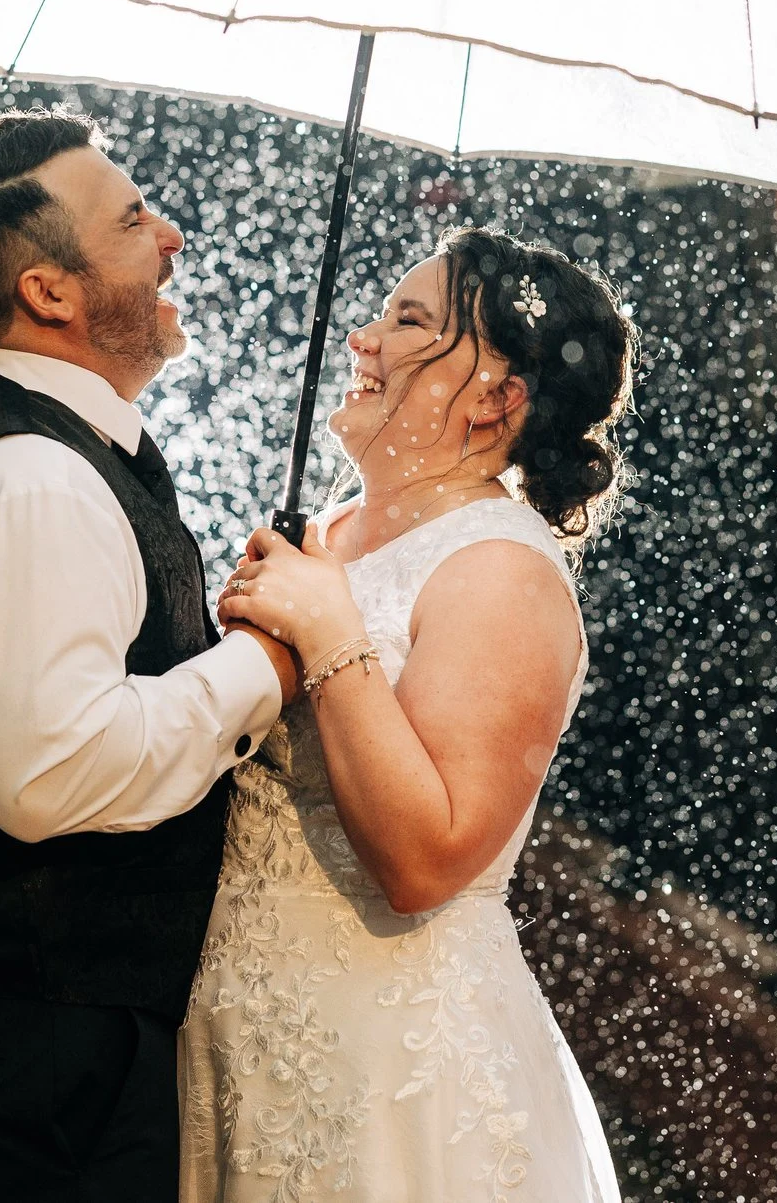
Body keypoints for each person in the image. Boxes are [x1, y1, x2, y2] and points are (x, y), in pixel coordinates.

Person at [0, 110, 299, 1203]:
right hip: (26, 1057)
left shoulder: (48, 445)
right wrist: (264, 663)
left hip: (33, 1035)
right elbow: (52, 777)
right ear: (49, 290)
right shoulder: (25, 477)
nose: (173, 235)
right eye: (135, 217)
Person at [182, 227, 635, 1203]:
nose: (362, 340)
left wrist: (326, 629)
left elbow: (424, 860)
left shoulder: (501, 571)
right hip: (244, 1024)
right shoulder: (326, 534)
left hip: (391, 1059)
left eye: (409, 321)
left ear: (495, 396)